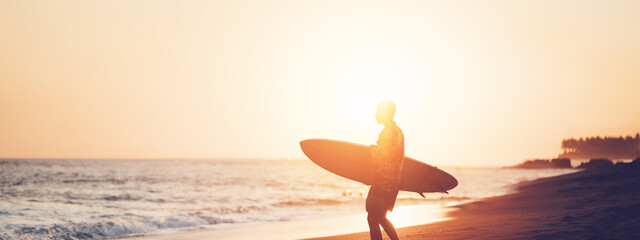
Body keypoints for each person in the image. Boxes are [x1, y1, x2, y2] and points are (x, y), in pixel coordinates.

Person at [366, 100, 404, 240]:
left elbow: (381, 157)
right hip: (393, 183)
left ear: (385, 114)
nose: (375, 115)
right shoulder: (398, 131)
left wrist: (372, 150)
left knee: (372, 217)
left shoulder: (387, 133)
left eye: (378, 112)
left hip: (383, 182)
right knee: (380, 217)